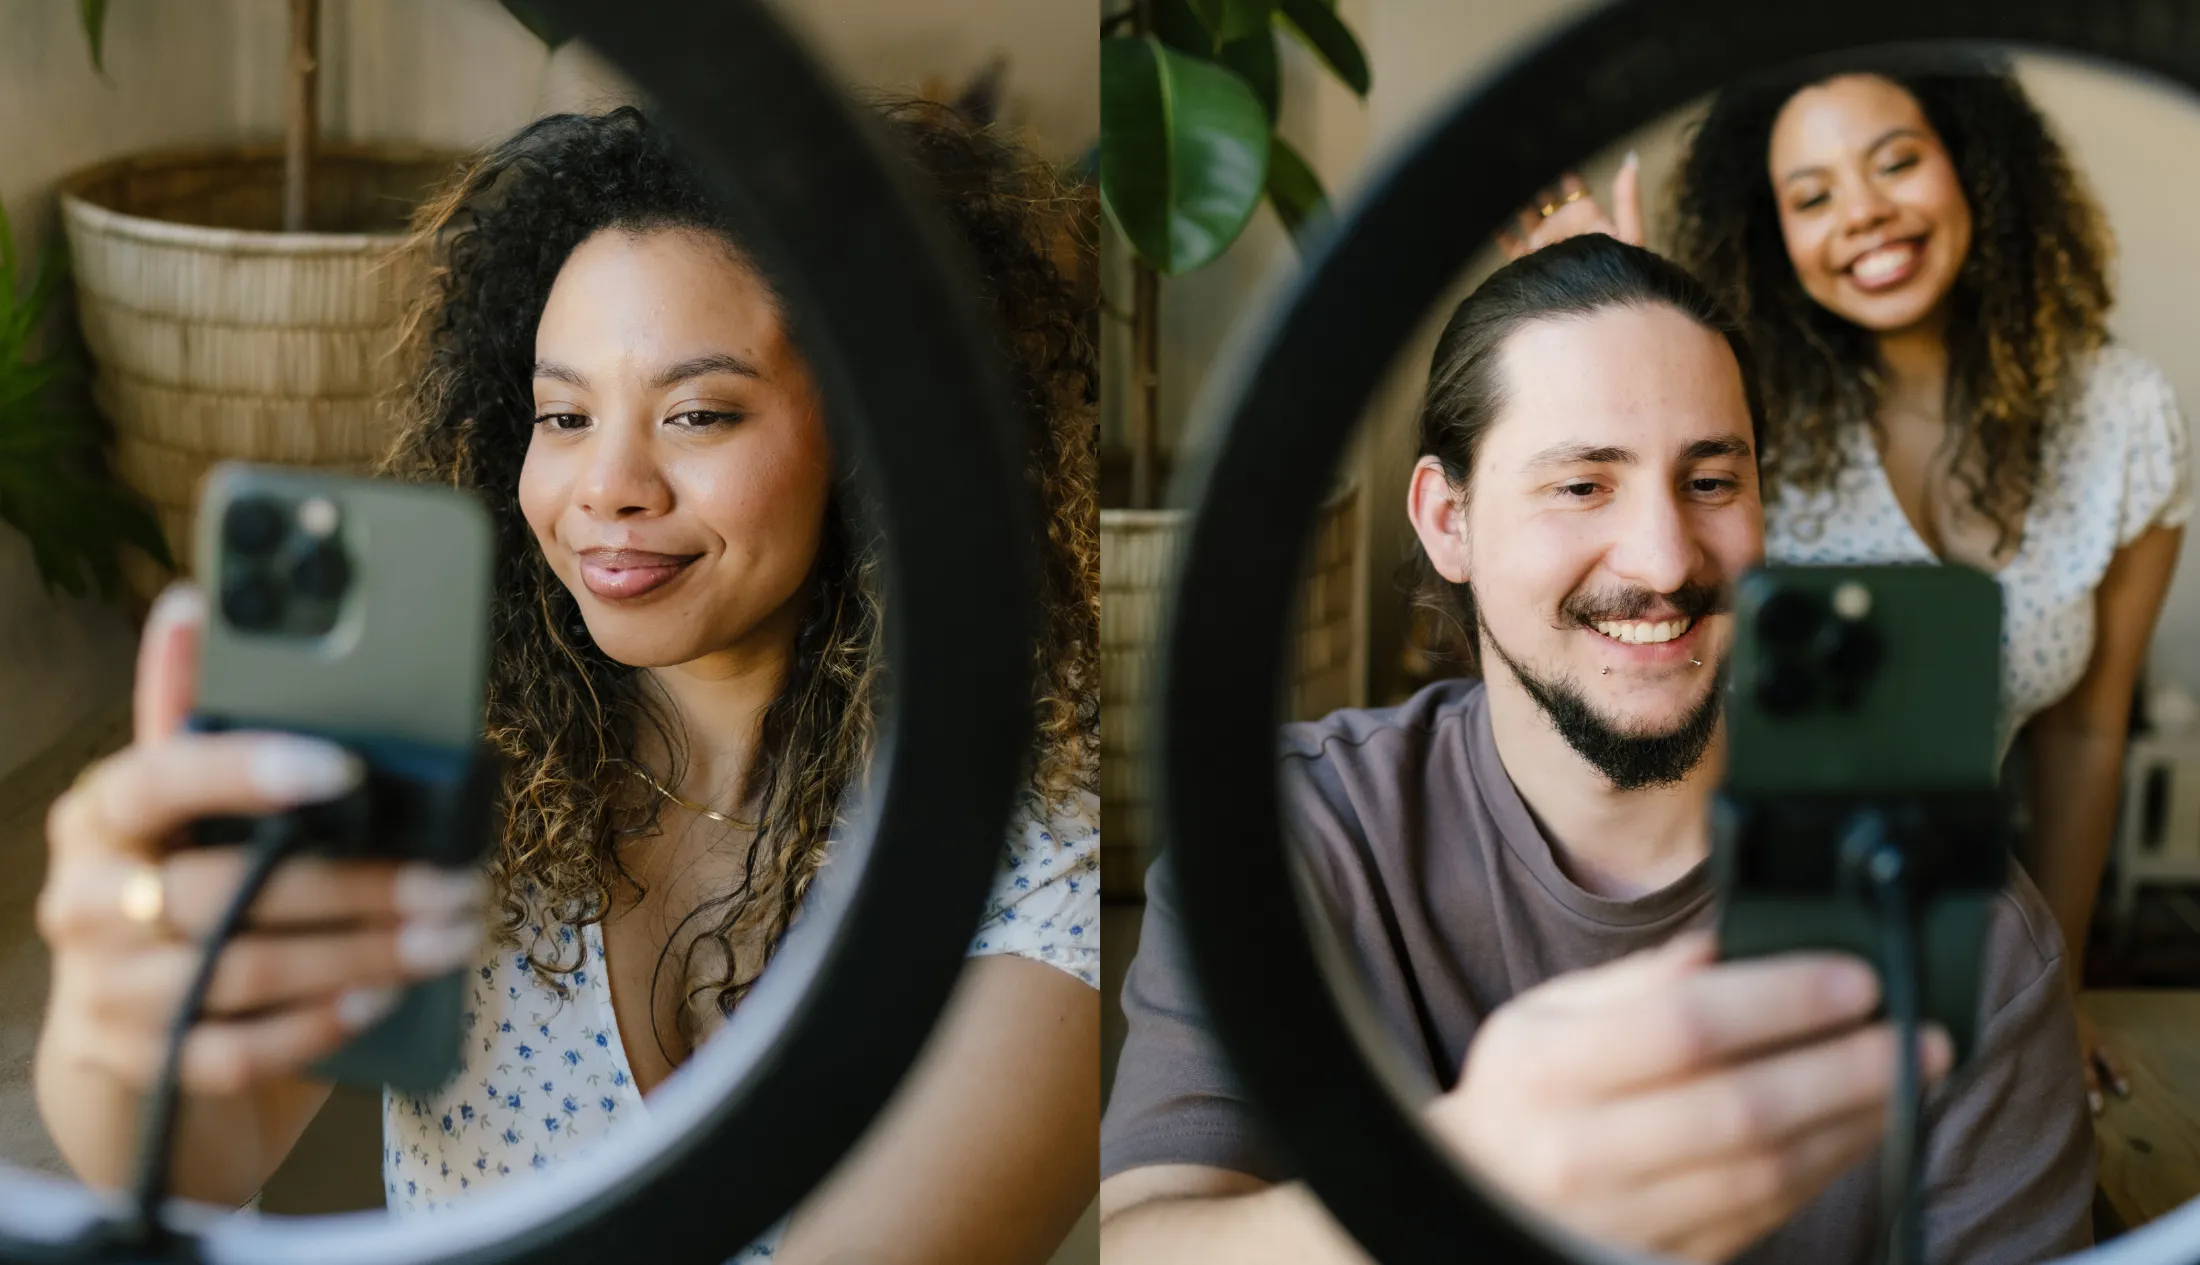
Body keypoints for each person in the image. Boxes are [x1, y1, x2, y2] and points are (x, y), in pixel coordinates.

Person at [33, 101, 1100, 1264]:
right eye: (564, 414)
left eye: (697, 412)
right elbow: (201, 1153)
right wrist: (121, 1024)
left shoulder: (1029, 849)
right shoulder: (451, 745)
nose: (608, 486)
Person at [1098, 235, 2092, 1264]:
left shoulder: (1956, 916)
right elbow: (1145, 1237)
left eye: (1710, 479)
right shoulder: (1286, 841)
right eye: (1580, 484)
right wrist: (1466, 1182)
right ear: (1450, 519)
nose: (1664, 559)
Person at [1501, 57, 2192, 1112]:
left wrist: (2059, 984)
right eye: (1811, 195)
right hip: (1687, 914)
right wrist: (1622, 314)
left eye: (1895, 162)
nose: (1863, 214)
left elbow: (2084, 735)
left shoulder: (2126, 420)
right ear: (1773, 234)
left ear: (1973, 167)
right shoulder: (1740, 406)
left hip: (1940, 918)